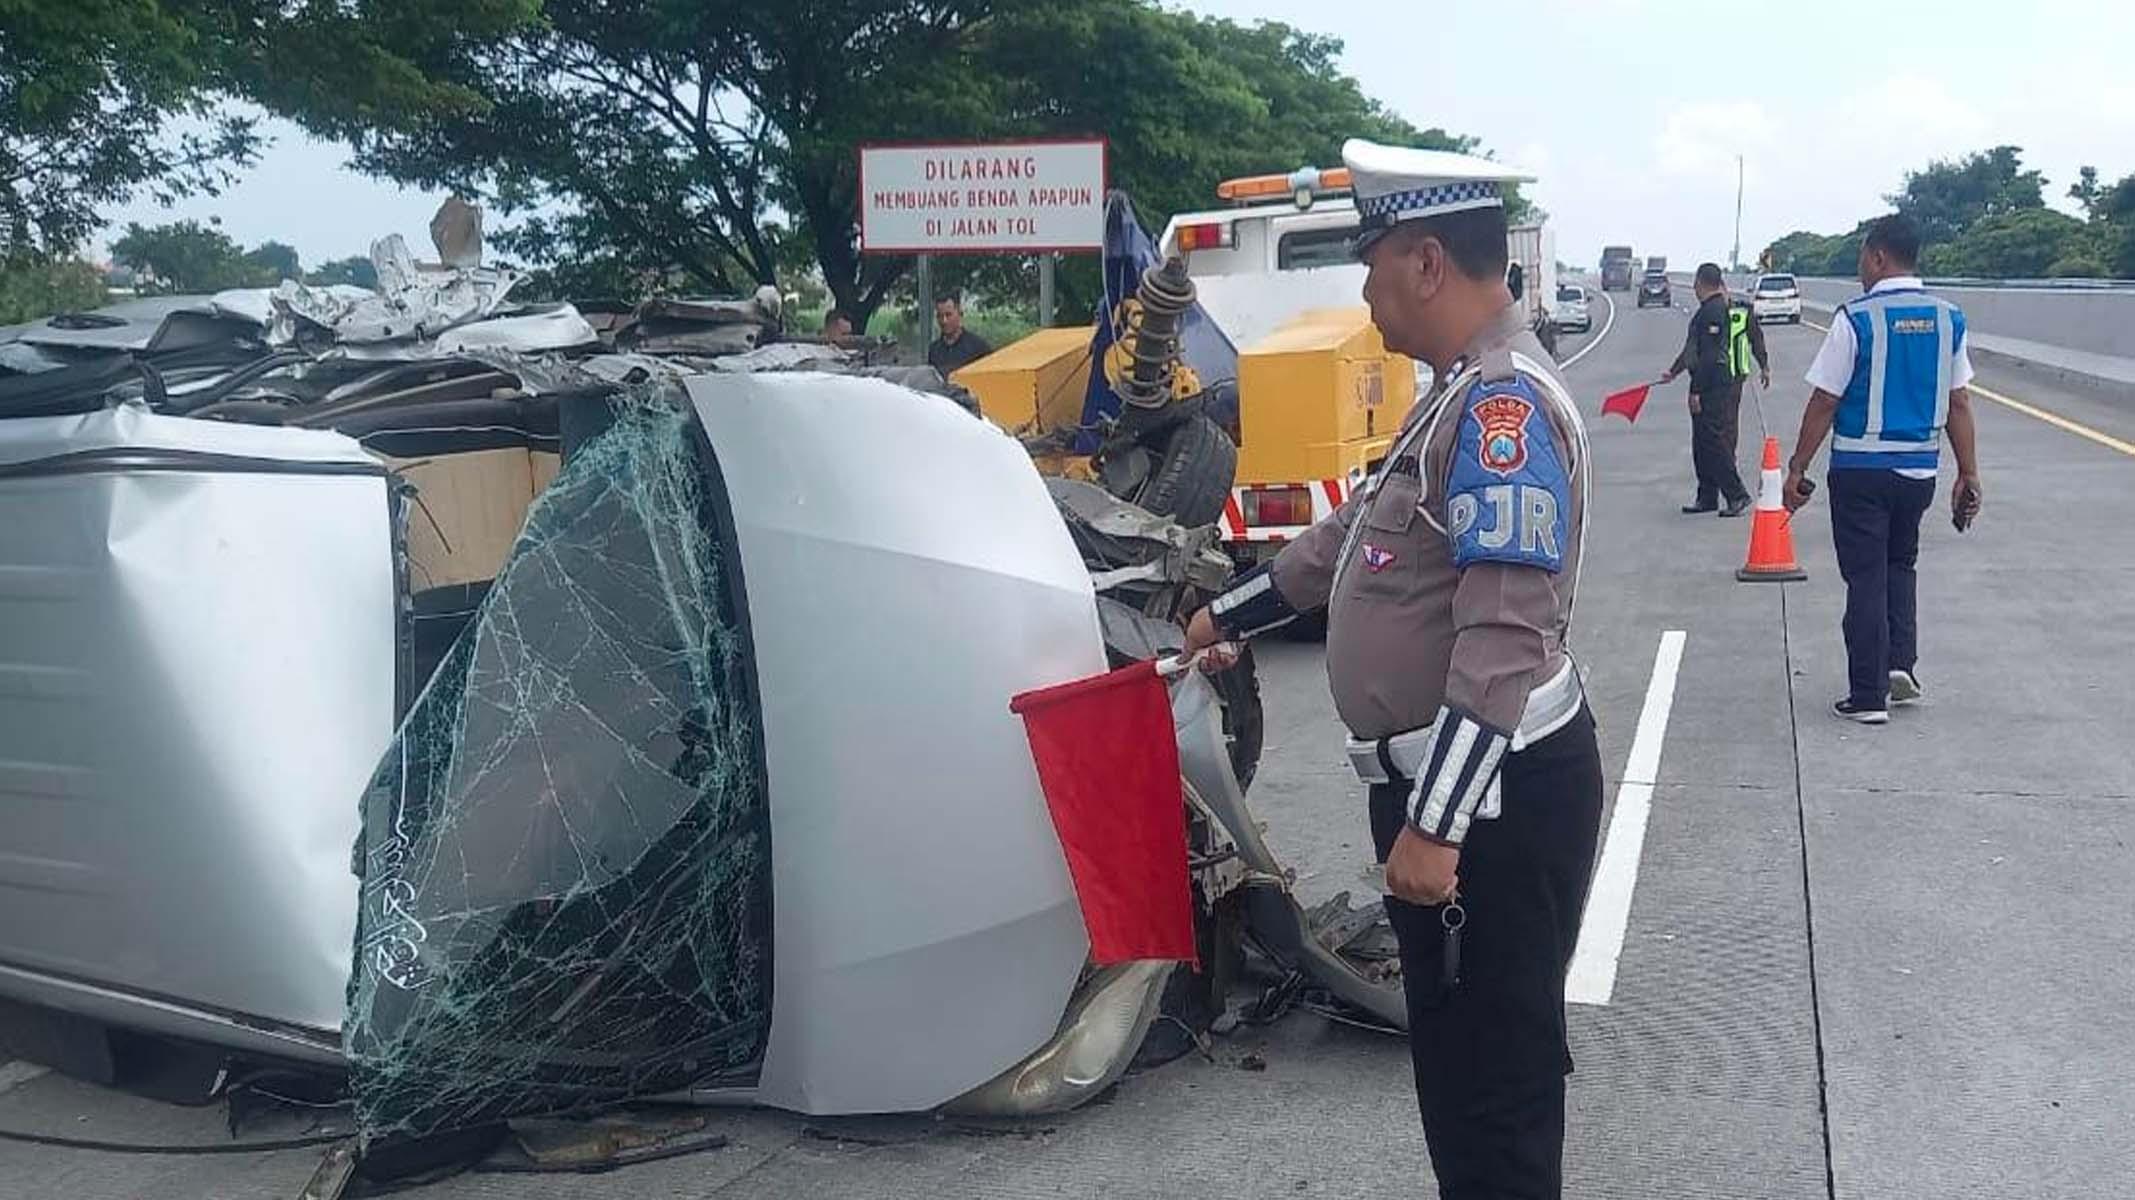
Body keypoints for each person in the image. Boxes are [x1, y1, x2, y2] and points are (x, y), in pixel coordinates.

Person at [1183, 139, 1602, 1199]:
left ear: (1423, 262)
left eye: (1370, 265)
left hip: (1488, 809)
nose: (1363, 294)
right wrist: (1224, 616)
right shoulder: (1450, 394)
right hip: (1451, 795)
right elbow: (1348, 544)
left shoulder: (1499, 410)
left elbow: (1504, 632)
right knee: (1459, 1077)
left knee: (1491, 1088)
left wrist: (1437, 826)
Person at [1782, 214, 1981, 724]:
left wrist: (1798, 467)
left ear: (1878, 257)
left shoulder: (1857, 319)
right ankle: (1900, 667)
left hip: (1861, 472)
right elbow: (1958, 402)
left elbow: (1825, 400)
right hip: (1919, 473)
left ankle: (1867, 695)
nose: (1859, 270)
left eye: (1861, 260)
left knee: (1865, 577)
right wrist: (1968, 472)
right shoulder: (1948, 319)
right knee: (1900, 565)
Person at [1659, 262, 1766, 517]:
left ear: (1699, 283)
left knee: (1715, 442)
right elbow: (1691, 350)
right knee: (1701, 444)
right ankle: (1707, 496)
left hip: (1714, 386)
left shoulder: (1715, 312)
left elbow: (1709, 356)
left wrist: (1696, 390)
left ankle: (1736, 494)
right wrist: (1674, 371)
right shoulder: (1706, 311)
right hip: (1709, 383)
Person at [926, 292, 993, 377]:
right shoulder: (934, 350)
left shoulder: (978, 347)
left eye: (948, 315)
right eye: (940, 316)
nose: (944, 321)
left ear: (960, 313)